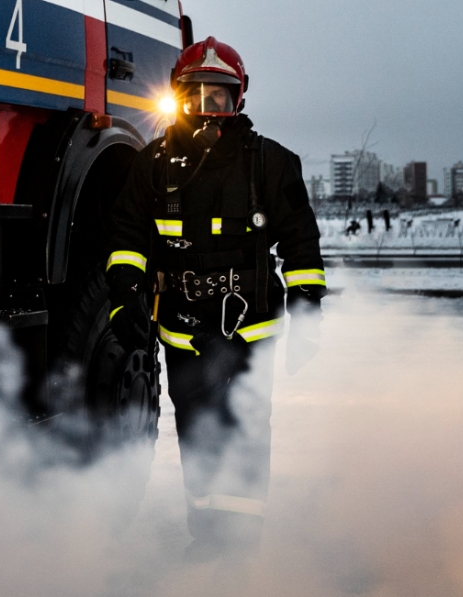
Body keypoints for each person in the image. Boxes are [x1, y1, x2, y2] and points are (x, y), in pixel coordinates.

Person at [102, 37, 325, 559]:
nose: (207, 110)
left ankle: (240, 547)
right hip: (182, 328)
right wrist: (123, 296)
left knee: (245, 428)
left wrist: (309, 307)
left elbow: (300, 241)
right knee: (197, 430)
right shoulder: (152, 164)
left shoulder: (270, 163)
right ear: (177, 98)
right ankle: (206, 537)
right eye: (195, 96)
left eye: (218, 98)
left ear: (239, 100)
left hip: (250, 327)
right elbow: (127, 237)